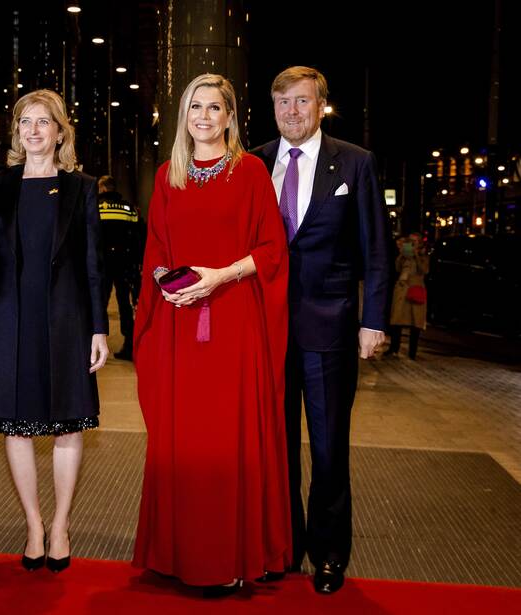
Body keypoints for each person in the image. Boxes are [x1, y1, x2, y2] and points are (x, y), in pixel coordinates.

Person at [132, 73, 292, 597]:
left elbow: (271, 249)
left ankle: (234, 555)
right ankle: (180, 556)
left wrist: (219, 277)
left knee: (229, 437)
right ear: (185, 117)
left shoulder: (250, 171)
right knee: (184, 439)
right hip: (180, 323)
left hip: (233, 322)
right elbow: (156, 250)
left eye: (214, 108)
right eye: (195, 107)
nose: (203, 116)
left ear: (230, 116)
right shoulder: (167, 176)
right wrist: (168, 284)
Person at [251, 66, 389, 594]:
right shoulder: (253, 162)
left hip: (330, 329)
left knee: (330, 447)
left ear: (320, 105)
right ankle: (281, 546)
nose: (291, 111)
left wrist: (374, 318)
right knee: (275, 445)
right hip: (264, 330)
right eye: (282, 101)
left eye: (302, 102)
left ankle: (329, 553)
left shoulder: (355, 163)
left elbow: (375, 248)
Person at [0, 89, 108, 574]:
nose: (33, 130)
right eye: (24, 122)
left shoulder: (81, 187)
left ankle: (62, 524)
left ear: (60, 131)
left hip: (66, 320)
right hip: (7, 319)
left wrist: (98, 327)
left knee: (69, 422)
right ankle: (33, 524)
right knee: (15, 424)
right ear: (17, 133)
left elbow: (93, 263)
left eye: (43, 122)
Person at [97, 175, 142, 360]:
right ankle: (129, 344)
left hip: (102, 263)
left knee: (99, 303)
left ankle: (94, 344)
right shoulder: (129, 208)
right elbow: (139, 235)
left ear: (104, 189)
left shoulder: (95, 207)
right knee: (124, 303)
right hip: (124, 262)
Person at [386, 233, 428, 359]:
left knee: (415, 323)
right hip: (402, 290)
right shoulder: (405, 255)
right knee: (396, 320)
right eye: (411, 241)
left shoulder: (423, 256)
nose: (413, 243)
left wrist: (416, 255)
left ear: (420, 243)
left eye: (415, 241)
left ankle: (412, 353)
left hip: (415, 290)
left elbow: (424, 270)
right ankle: (394, 348)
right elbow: (397, 268)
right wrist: (402, 255)